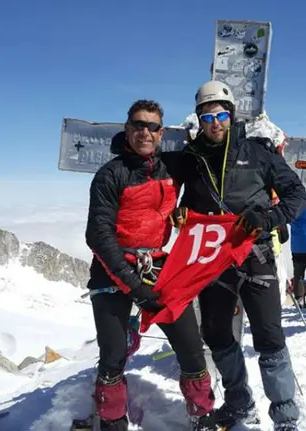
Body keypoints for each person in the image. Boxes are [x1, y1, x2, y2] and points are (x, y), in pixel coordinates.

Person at [168, 80, 306, 431]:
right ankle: (240, 404)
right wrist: (180, 212)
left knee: (269, 335)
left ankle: (286, 416)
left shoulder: (258, 151)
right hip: (212, 258)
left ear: (231, 115)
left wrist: (268, 218)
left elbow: (296, 195)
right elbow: (172, 196)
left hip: (254, 252)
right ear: (199, 119)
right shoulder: (191, 158)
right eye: (208, 115)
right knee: (214, 332)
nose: (215, 122)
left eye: (221, 114)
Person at [85, 100, 217, 431]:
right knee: (113, 355)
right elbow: (99, 236)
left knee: (190, 346)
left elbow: (215, 157)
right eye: (138, 125)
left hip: (158, 262)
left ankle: (202, 414)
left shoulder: (172, 167)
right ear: (127, 130)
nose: (145, 132)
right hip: (112, 266)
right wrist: (137, 288)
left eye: (153, 127)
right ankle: (112, 421)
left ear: (161, 134)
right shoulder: (110, 175)